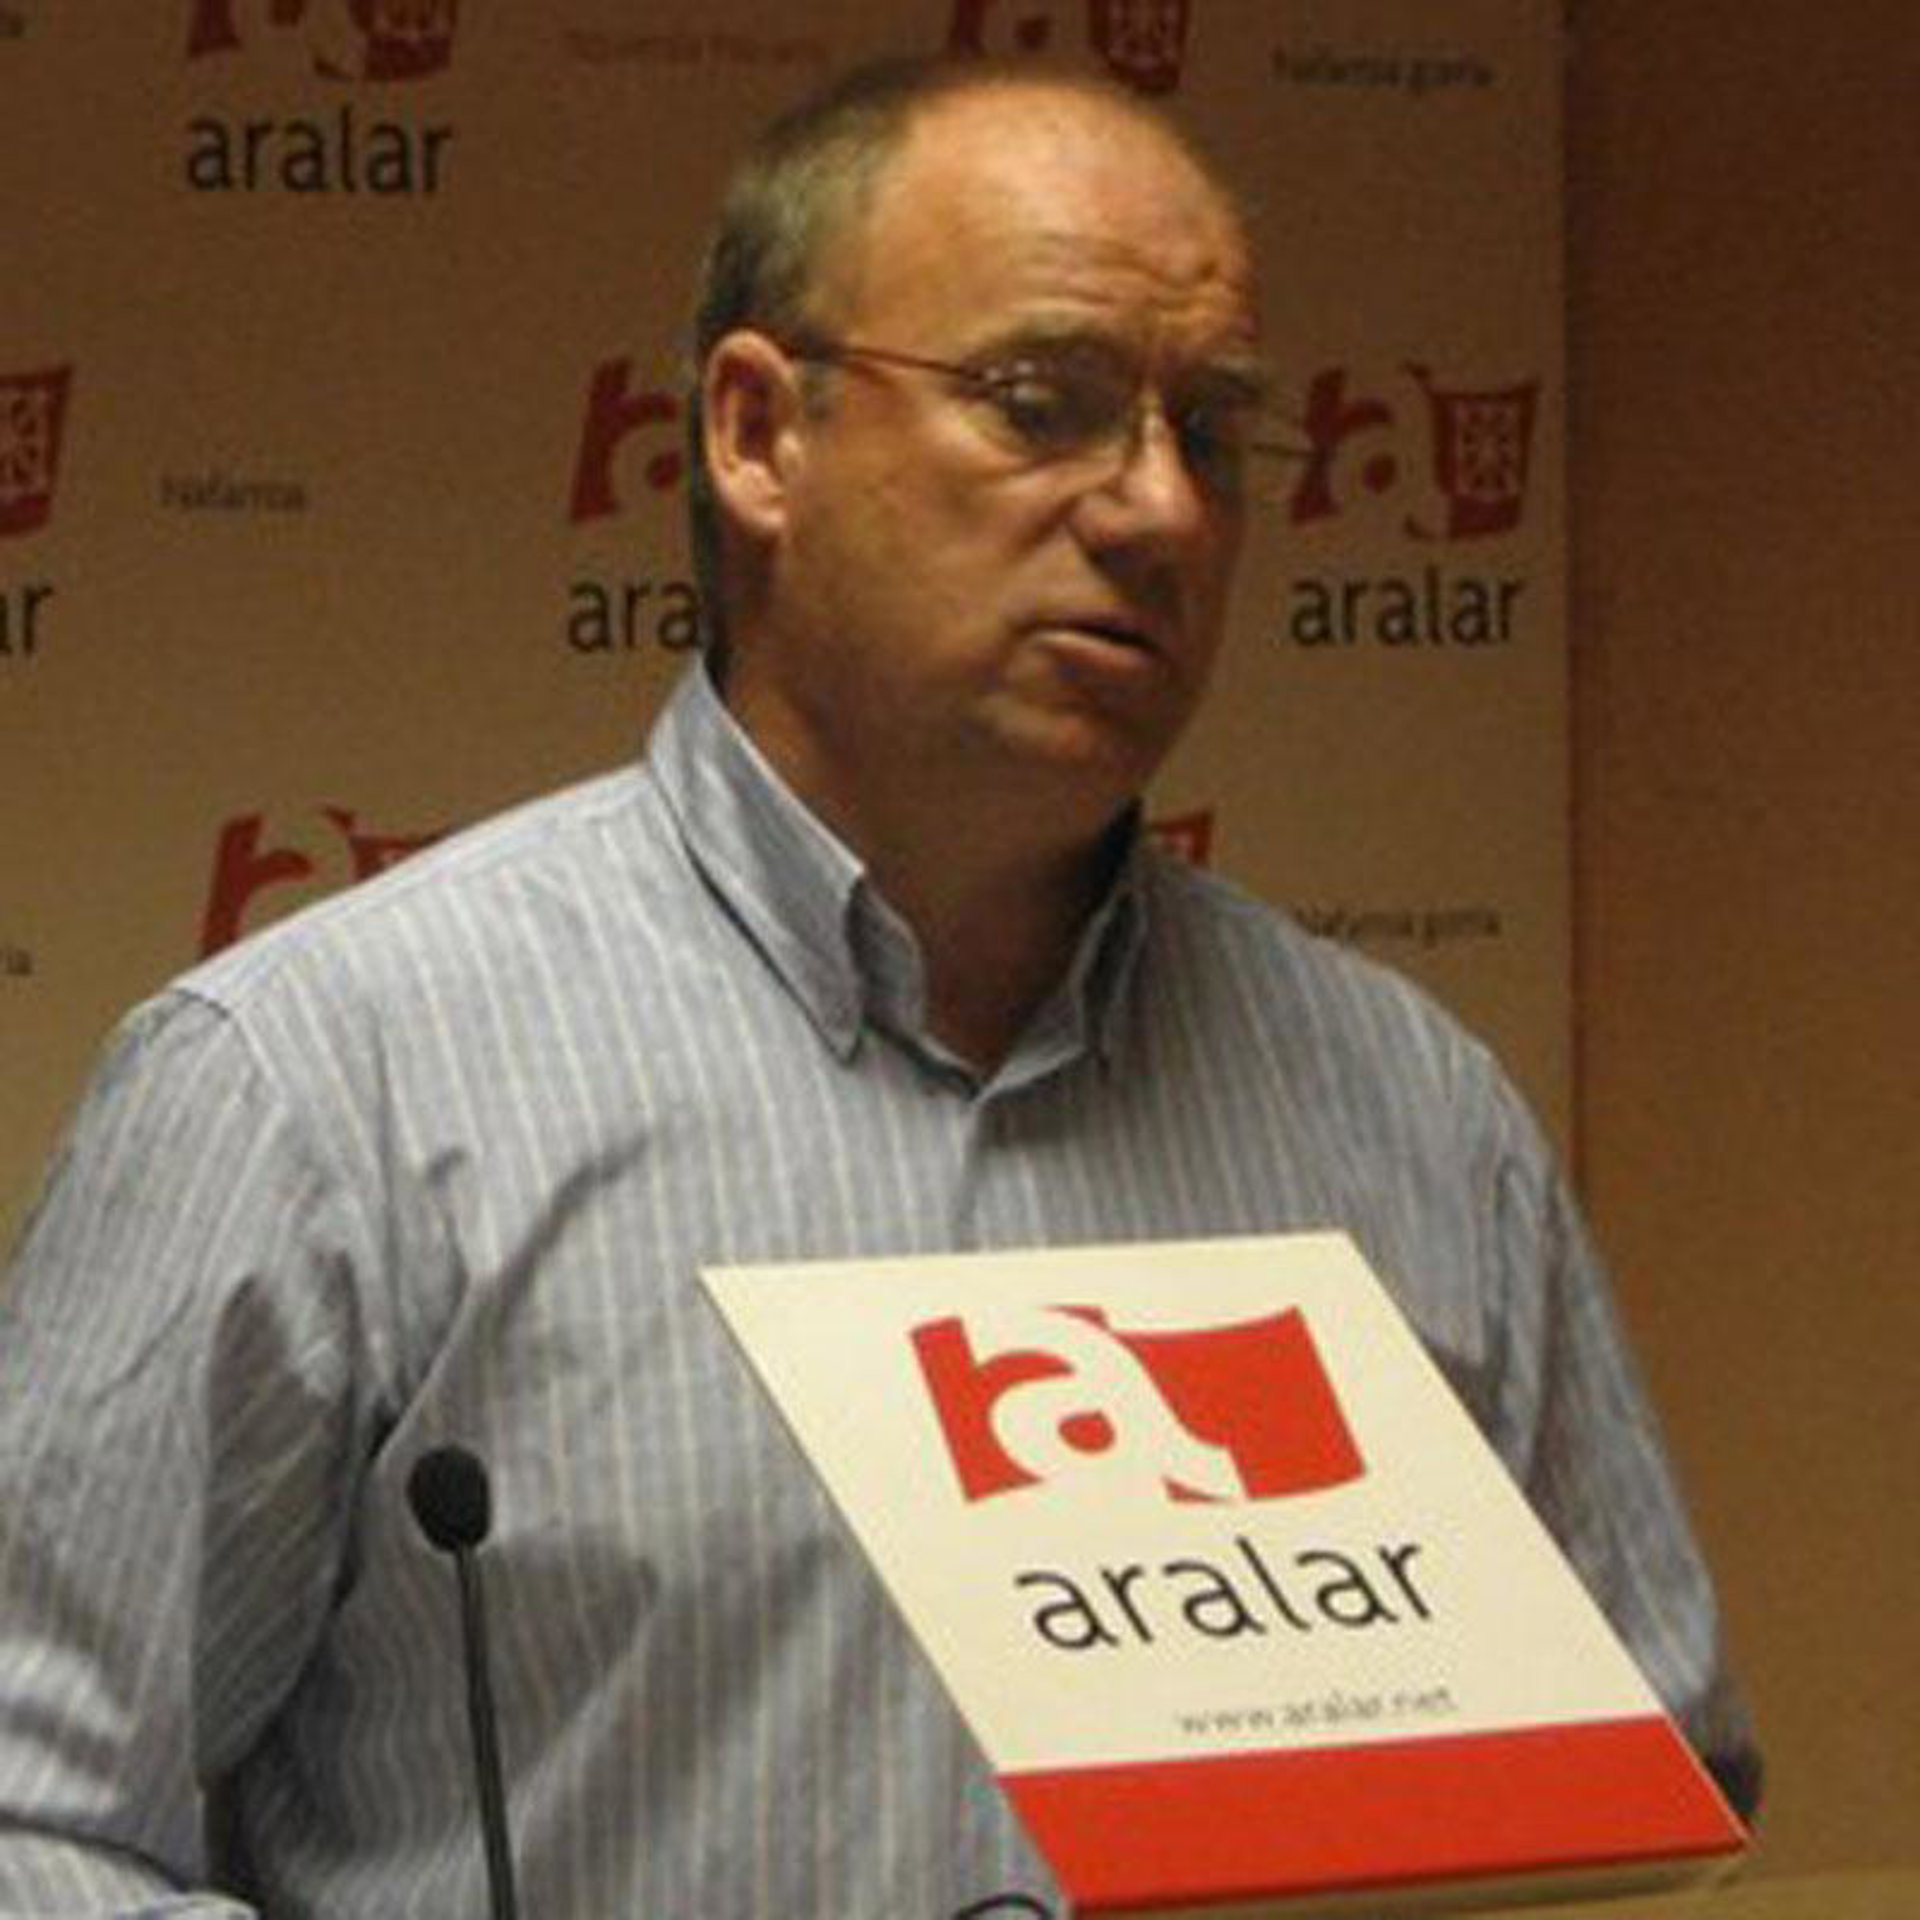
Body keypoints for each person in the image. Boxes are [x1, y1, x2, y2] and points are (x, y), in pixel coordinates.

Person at [0, 55, 1757, 1920]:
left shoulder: (1411, 1116)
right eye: (1043, 404)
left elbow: (1649, 1810)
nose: (1160, 510)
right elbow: (37, 1813)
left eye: (1212, 432)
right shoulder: (314, 1085)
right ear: (759, 434)